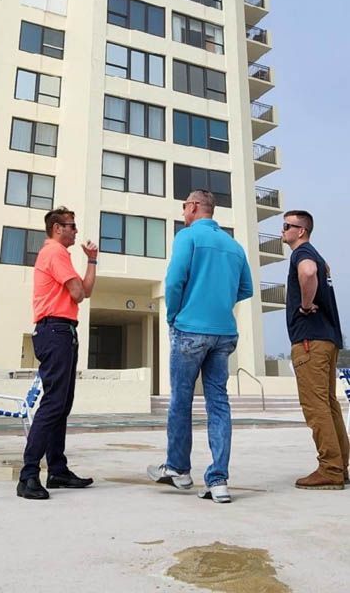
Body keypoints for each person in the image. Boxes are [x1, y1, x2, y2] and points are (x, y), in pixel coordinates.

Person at [147, 188, 253, 504]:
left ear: (194, 206)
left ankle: (178, 469)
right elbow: (245, 288)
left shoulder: (188, 237)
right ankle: (218, 480)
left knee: (181, 399)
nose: (183, 212)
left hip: (189, 329)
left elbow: (174, 281)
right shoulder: (234, 246)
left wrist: (173, 316)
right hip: (224, 333)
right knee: (218, 402)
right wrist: (219, 300)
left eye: (184, 206)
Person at [17, 206, 98, 500]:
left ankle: (57, 470)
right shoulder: (54, 252)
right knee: (53, 403)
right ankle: (28, 475)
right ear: (57, 228)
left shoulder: (60, 254)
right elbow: (77, 293)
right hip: (54, 330)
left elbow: (85, 291)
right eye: (71, 225)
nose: (75, 230)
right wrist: (79, 285)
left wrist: (92, 260)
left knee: (61, 404)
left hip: (62, 331)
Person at [283, 209, 348, 490]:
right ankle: (340, 465)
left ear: (301, 231)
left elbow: (308, 272)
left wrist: (305, 305)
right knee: (328, 404)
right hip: (328, 339)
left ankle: (330, 469)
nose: (282, 230)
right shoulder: (319, 257)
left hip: (310, 341)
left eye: (287, 226)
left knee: (315, 405)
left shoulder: (303, 254)